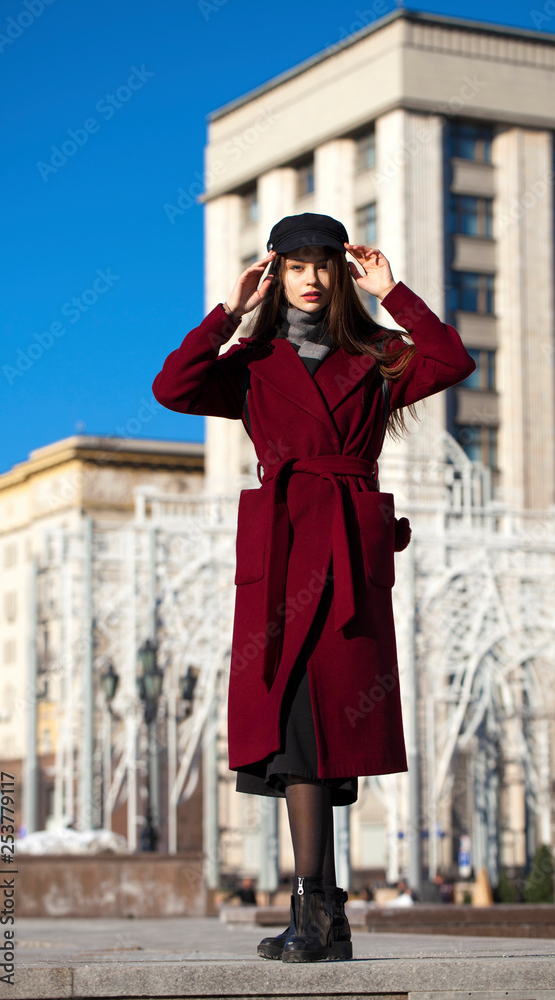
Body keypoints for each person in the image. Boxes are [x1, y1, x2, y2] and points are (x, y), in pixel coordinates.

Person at [152, 212, 475, 963]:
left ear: (339, 274)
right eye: (292, 265)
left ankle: (319, 916)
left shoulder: (378, 354)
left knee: (328, 728)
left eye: (321, 264)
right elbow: (172, 388)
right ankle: (319, 913)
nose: (308, 277)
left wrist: (396, 295)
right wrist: (225, 315)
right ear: (274, 275)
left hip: (348, 551)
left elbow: (452, 360)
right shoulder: (251, 360)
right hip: (281, 550)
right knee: (296, 727)